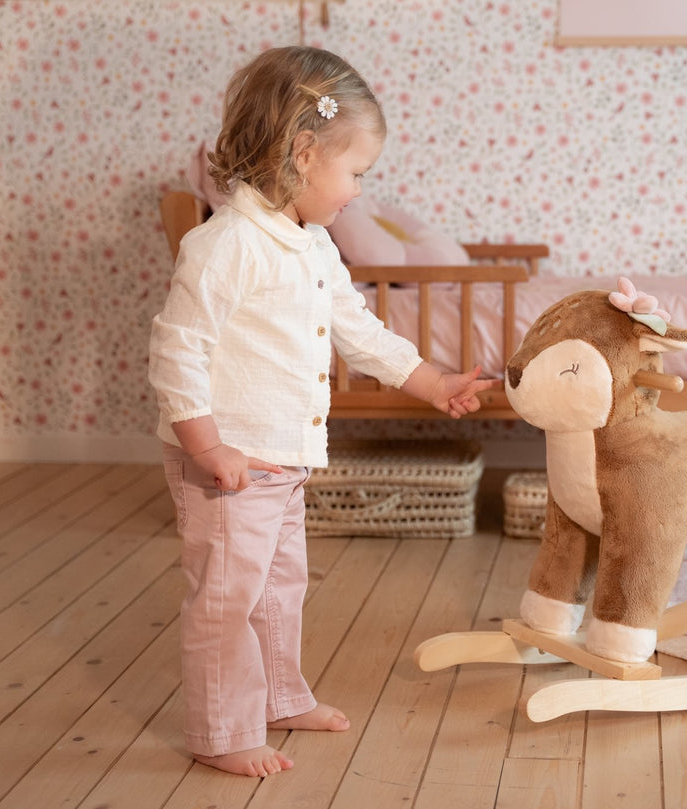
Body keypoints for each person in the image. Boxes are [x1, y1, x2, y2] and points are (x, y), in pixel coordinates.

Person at [148, 45, 492, 777]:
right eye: (356, 173)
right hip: (230, 461)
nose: (358, 192)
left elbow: (357, 329)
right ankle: (221, 728)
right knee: (226, 597)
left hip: (283, 457)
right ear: (305, 154)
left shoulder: (311, 245)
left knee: (279, 587)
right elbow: (176, 351)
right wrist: (208, 446)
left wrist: (429, 380)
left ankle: (277, 693)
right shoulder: (225, 245)